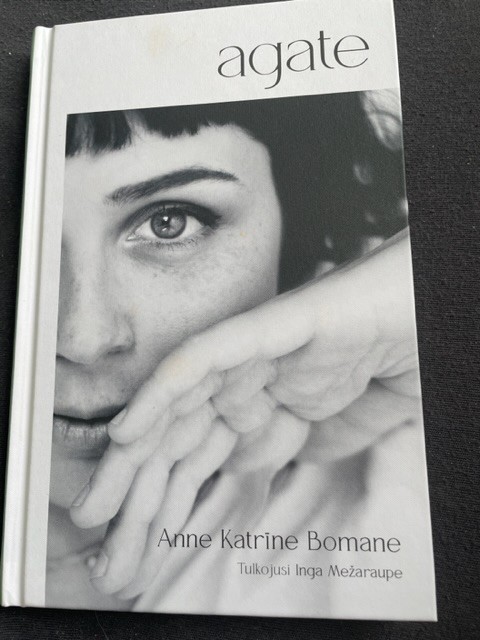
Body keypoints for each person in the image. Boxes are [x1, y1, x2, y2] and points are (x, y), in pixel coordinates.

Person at [47, 90, 423, 615]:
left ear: (298, 228)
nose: (82, 339)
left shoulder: (407, 487)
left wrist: (433, 317)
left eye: (169, 222)